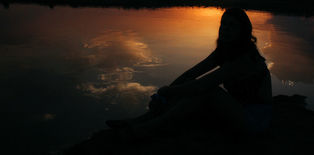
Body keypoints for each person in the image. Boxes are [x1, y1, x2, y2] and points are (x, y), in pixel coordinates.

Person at [106, 8, 272, 138]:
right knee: (186, 89)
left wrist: (168, 91)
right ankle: (139, 120)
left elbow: (203, 85)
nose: (226, 29)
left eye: (232, 26)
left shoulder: (245, 59)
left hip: (253, 120)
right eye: (224, 24)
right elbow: (190, 75)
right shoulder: (224, 51)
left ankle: (147, 128)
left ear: (243, 31)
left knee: (207, 91)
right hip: (235, 109)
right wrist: (164, 95)